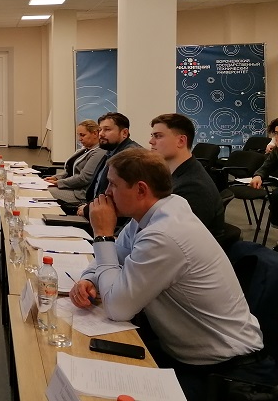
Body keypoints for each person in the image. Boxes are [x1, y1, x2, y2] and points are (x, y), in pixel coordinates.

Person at [69, 148, 275, 401]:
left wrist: (102, 234)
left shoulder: (164, 234)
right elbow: (115, 256)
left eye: (113, 184)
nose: (106, 192)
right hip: (191, 357)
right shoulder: (152, 213)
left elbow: (117, 308)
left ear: (141, 190)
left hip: (229, 373)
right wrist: (89, 279)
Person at [148, 113, 225, 240]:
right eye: (152, 136)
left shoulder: (192, 187)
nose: (151, 141)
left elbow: (170, 239)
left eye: (158, 136)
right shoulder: (177, 173)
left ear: (181, 141)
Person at [76, 112, 141, 217]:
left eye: (107, 130)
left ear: (124, 133)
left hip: (112, 218)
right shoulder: (111, 151)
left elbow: (116, 194)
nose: (101, 134)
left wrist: (88, 209)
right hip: (95, 208)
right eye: (100, 130)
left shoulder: (129, 156)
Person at [44, 119, 104, 209]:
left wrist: (58, 183)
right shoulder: (86, 149)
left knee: (44, 192)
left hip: (80, 193)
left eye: (83, 135)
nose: (80, 139)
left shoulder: (99, 152)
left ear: (95, 134)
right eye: (78, 135)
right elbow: (70, 169)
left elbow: (84, 178)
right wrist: (56, 177)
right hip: (72, 187)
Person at [250, 117, 278, 190]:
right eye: (276, 133)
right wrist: (258, 176)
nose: (277, 137)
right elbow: (266, 167)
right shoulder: (276, 150)